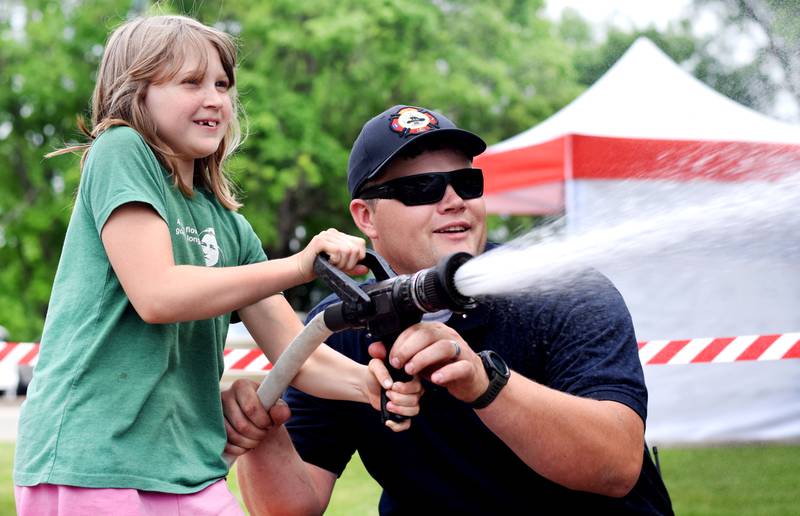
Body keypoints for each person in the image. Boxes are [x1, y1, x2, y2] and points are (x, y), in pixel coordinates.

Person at [12, 18, 420, 516]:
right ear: (133, 94)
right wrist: (297, 266)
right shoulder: (120, 150)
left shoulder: (229, 228)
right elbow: (158, 295)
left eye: (223, 85)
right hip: (93, 461)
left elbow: (300, 356)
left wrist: (368, 385)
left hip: (188, 470)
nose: (215, 99)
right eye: (191, 82)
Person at [223, 104, 674, 514]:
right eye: (421, 188)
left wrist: (484, 382)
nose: (454, 200)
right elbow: (289, 509)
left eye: (467, 182)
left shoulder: (565, 289)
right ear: (365, 217)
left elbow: (616, 466)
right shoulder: (341, 324)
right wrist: (262, 436)